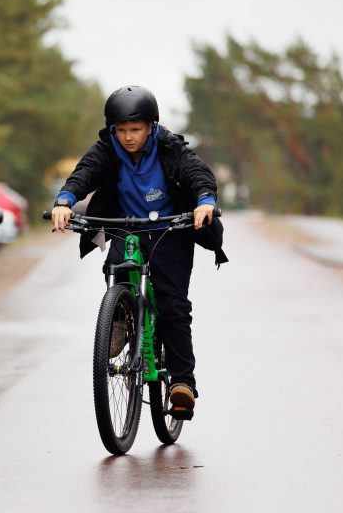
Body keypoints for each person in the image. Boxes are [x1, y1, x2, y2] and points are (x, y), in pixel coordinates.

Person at [50, 85, 226, 418]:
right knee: (116, 268)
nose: (128, 137)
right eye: (121, 130)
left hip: (170, 230)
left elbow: (197, 174)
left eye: (135, 130)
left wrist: (205, 201)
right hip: (127, 228)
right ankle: (119, 318)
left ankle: (182, 383)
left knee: (173, 304)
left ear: (151, 127)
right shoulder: (108, 149)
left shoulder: (170, 148)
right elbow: (84, 173)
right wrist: (64, 201)